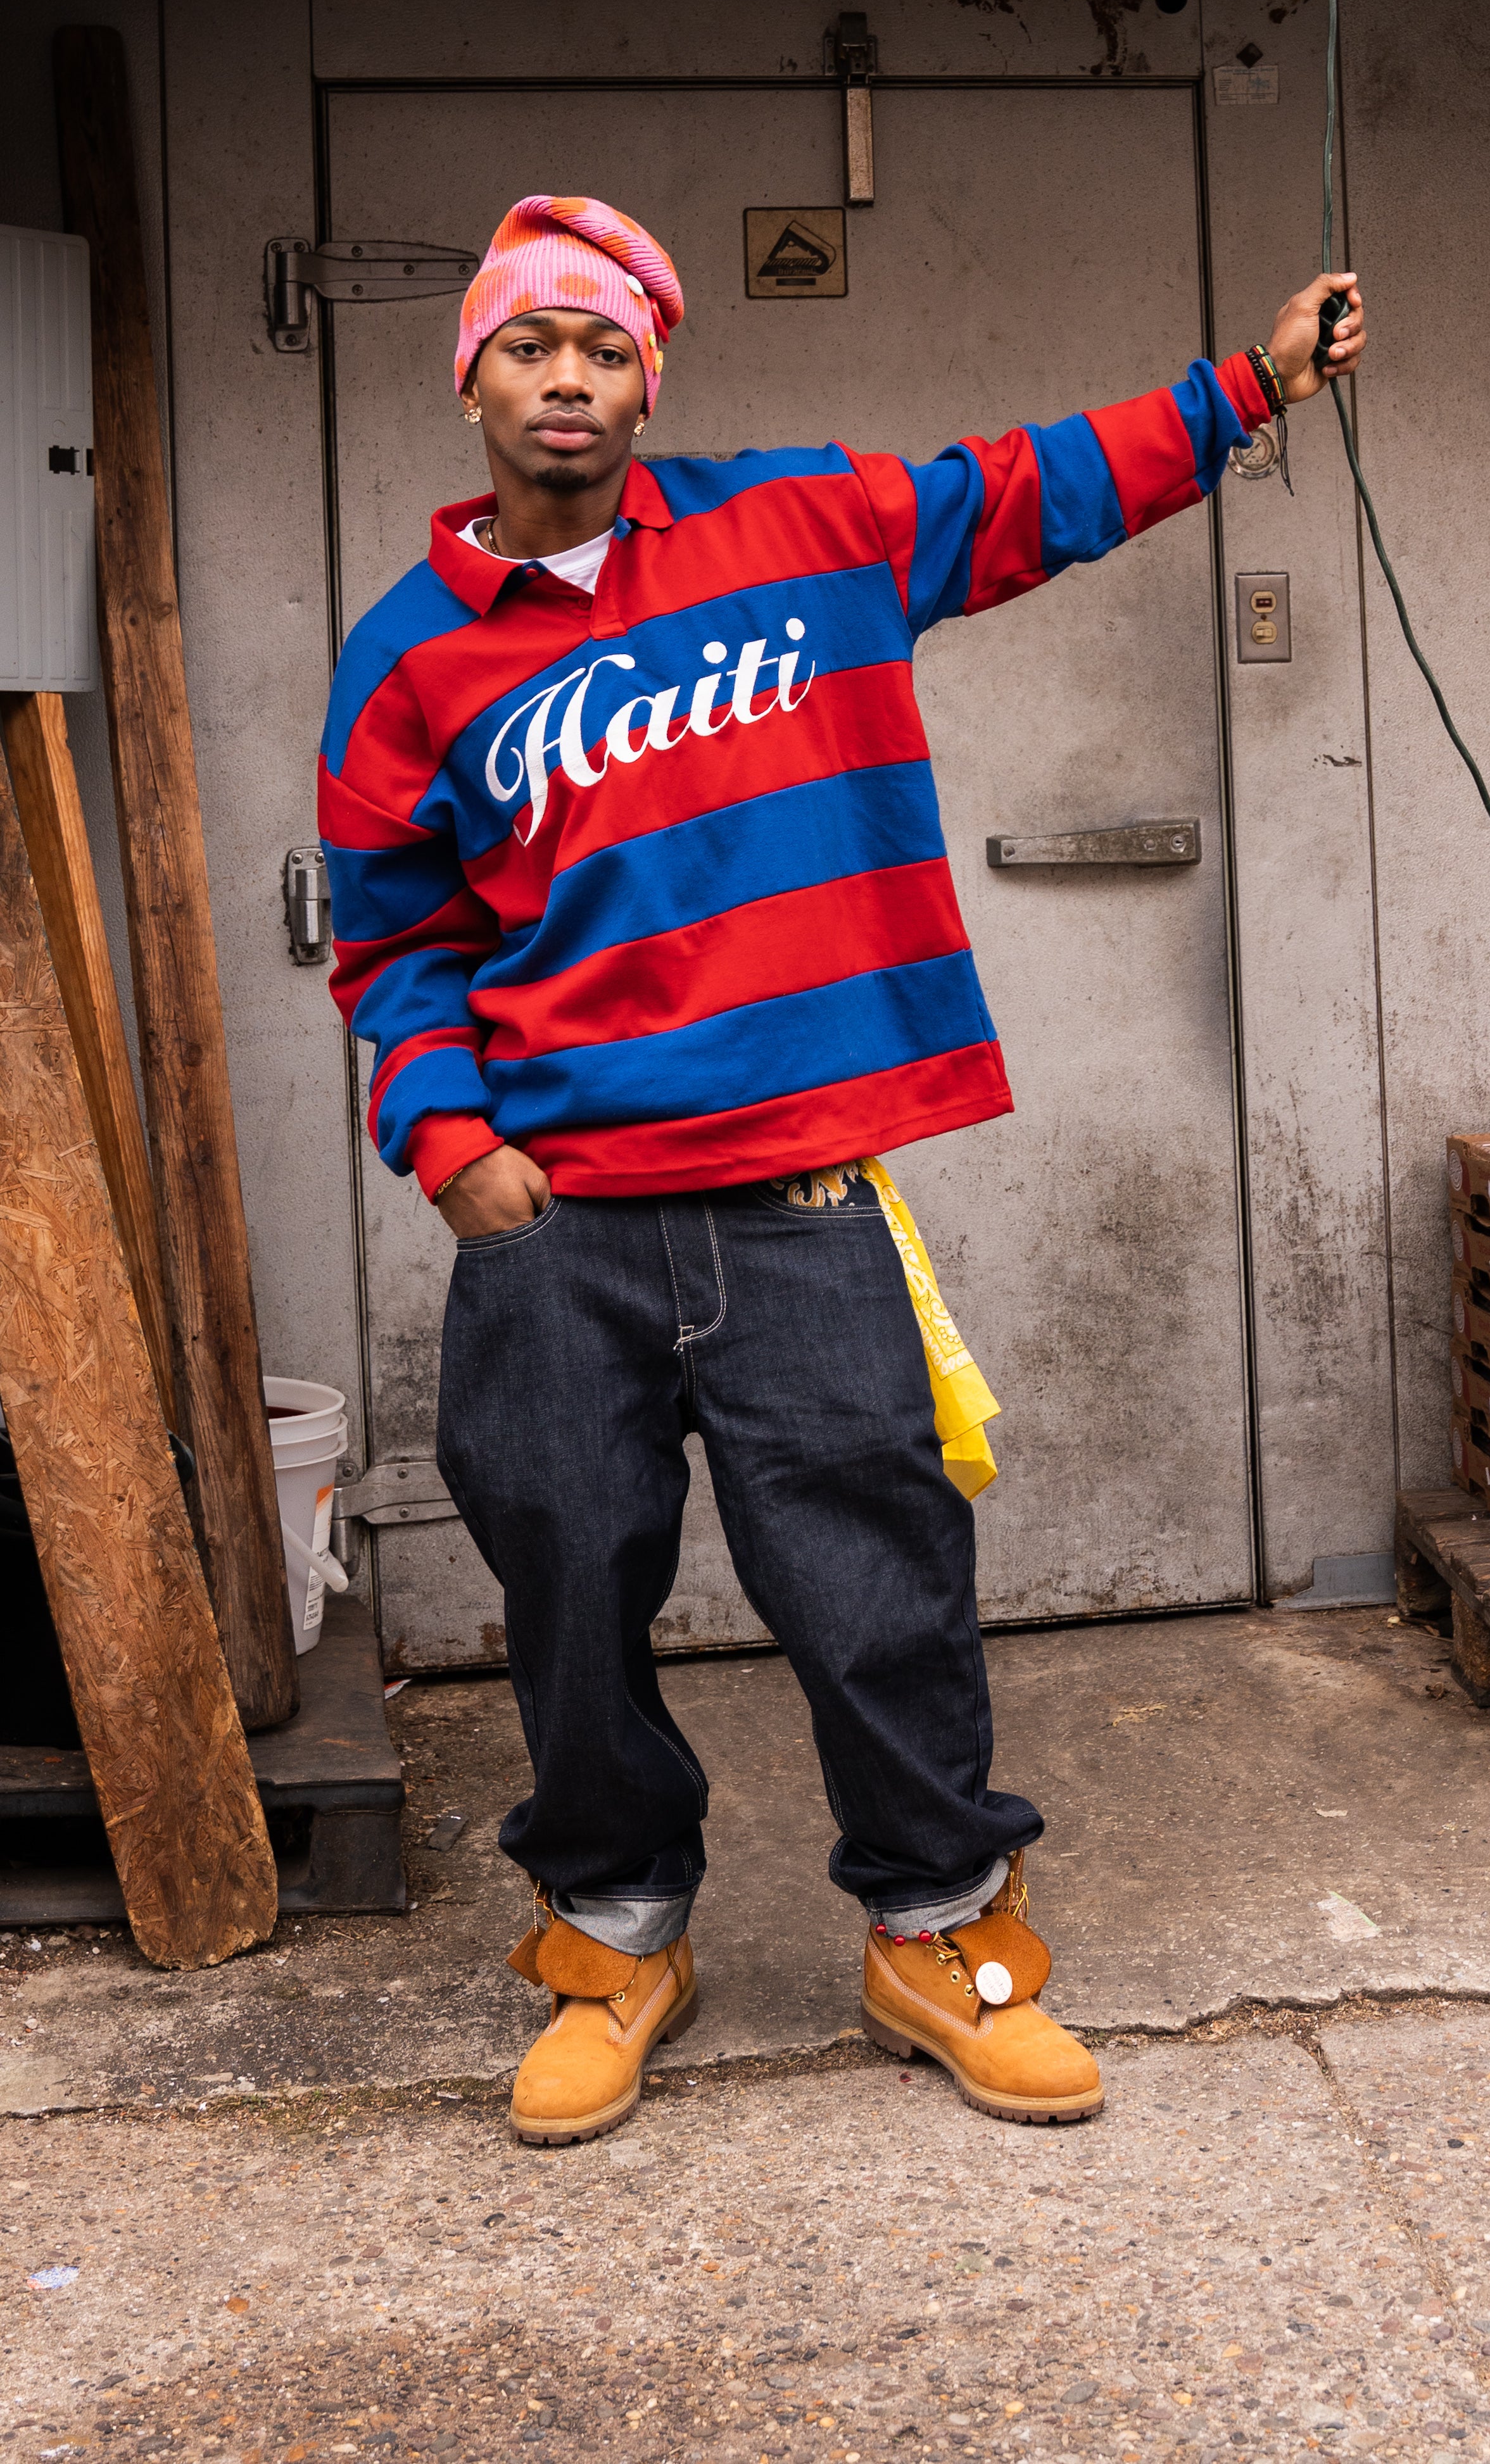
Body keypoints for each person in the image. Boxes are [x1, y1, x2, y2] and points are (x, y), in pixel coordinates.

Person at [317, 193, 1368, 2146]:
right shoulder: (405, 658)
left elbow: (1036, 488)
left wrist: (1252, 384)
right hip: (556, 1221)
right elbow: (391, 941)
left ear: (651, 379)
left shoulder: (803, 526)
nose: (569, 377)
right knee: (566, 1587)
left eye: (606, 346)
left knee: (876, 1583)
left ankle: (937, 1929)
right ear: (470, 376)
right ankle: (615, 1936)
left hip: (799, 1193)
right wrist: (448, 1141)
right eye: (532, 344)